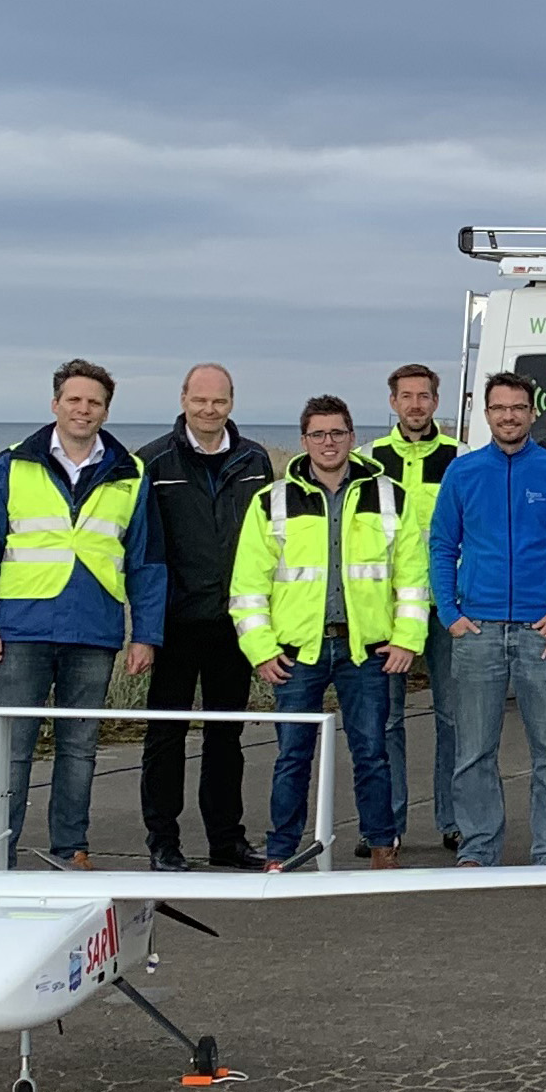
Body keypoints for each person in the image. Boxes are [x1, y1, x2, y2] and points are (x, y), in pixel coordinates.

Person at [0, 359, 165, 868]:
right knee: (12, 752)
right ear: (55, 404)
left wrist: (145, 634)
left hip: (93, 629)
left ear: (106, 410)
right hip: (21, 629)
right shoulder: (10, 465)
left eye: (94, 402)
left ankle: (69, 851)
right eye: (74, 400)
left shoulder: (131, 473)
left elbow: (146, 562)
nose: (83, 409)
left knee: (79, 751)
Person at [230, 397, 407, 869]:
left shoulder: (390, 495)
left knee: (372, 752)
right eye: (318, 435)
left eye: (337, 433)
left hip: (365, 648)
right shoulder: (271, 500)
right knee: (291, 756)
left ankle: (382, 845)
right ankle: (282, 852)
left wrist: (408, 638)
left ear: (352, 436)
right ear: (303, 440)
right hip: (296, 652)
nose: (328, 443)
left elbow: (411, 575)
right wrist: (260, 650)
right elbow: (247, 586)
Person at [429, 372, 546, 865]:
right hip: (476, 630)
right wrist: (450, 613)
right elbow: (441, 545)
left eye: (518, 407)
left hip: (540, 633)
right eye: (499, 408)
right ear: (486, 413)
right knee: (474, 751)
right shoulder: (463, 472)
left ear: (533, 412)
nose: (509, 416)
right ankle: (479, 848)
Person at [139, 364, 277, 871]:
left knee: (226, 736)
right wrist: (146, 627)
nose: (208, 410)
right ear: (183, 399)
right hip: (173, 622)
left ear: (231, 403)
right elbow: (141, 547)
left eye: (218, 401)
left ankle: (226, 839)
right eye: (199, 400)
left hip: (233, 625)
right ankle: (163, 842)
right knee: (166, 736)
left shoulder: (255, 460)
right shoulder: (153, 461)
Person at [369, 363, 460, 851]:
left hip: (448, 604)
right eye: (406, 396)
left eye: (424, 396)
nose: (416, 405)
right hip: (386, 607)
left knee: (453, 717)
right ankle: (386, 826)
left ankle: (453, 819)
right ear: (393, 402)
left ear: (435, 403)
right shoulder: (369, 459)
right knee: (385, 719)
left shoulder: (460, 458)